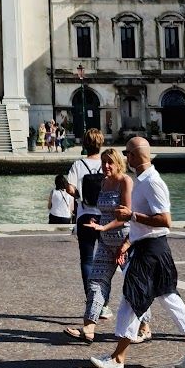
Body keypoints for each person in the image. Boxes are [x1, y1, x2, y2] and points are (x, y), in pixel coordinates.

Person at [88, 136, 185, 368]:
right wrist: (129, 238)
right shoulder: (143, 181)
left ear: (134, 156)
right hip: (152, 248)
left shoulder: (152, 182)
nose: (125, 157)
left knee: (131, 300)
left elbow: (165, 220)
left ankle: (117, 358)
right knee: (170, 299)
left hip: (151, 251)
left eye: (127, 153)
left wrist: (131, 216)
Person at [64, 144, 132, 342]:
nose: (106, 166)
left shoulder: (125, 182)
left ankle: (144, 325)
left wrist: (105, 227)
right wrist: (99, 222)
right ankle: (89, 328)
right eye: (103, 163)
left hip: (124, 242)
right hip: (105, 241)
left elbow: (126, 215)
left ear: (119, 163)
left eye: (110, 162)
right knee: (96, 282)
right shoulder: (104, 182)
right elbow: (105, 210)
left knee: (133, 283)